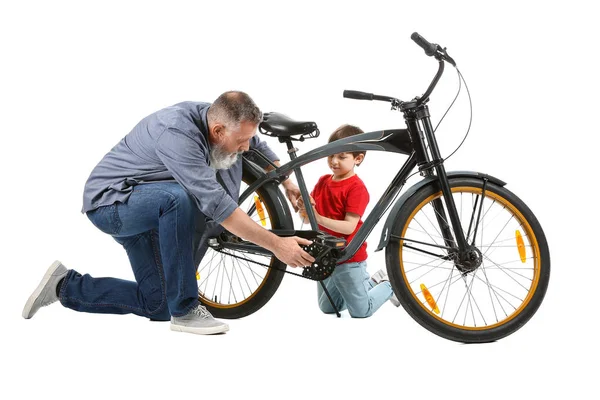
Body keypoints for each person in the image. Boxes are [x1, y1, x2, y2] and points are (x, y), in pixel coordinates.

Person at [22, 91, 315, 335]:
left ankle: (64, 286)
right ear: (217, 131)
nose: (246, 146)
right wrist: (276, 245)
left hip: (151, 203)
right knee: (181, 199)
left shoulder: (222, 120)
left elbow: (257, 148)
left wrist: (287, 182)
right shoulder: (177, 133)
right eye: (241, 140)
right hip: (111, 204)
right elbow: (214, 201)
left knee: (159, 303)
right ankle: (187, 310)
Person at [298, 124, 400, 318]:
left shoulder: (357, 189)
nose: (334, 161)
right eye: (331, 155)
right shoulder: (322, 181)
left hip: (348, 258)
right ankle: (372, 282)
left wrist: (318, 217)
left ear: (358, 159)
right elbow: (307, 219)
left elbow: (349, 226)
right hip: (326, 256)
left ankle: (389, 285)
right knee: (328, 308)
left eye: (342, 156)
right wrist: (303, 208)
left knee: (361, 311)